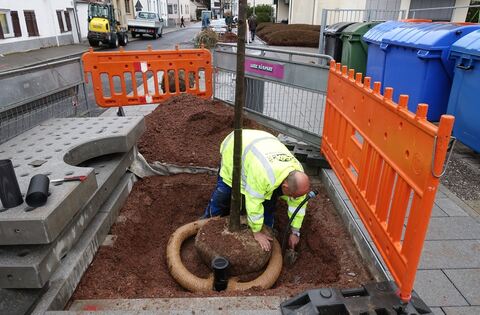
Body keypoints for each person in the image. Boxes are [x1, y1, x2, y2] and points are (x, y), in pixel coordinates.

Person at [203, 129, 311, 252]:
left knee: (268, 203)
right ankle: (207, 222)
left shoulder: (297, 175)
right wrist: (257, 232)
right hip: (237, 147)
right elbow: (253, 202)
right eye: (293, 196)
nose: (295, 199)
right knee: (224, 194)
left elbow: (298, 205)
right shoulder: (264, 175)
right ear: (285, 187)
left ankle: (267, 232)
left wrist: (295, 232)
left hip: (262, 145)